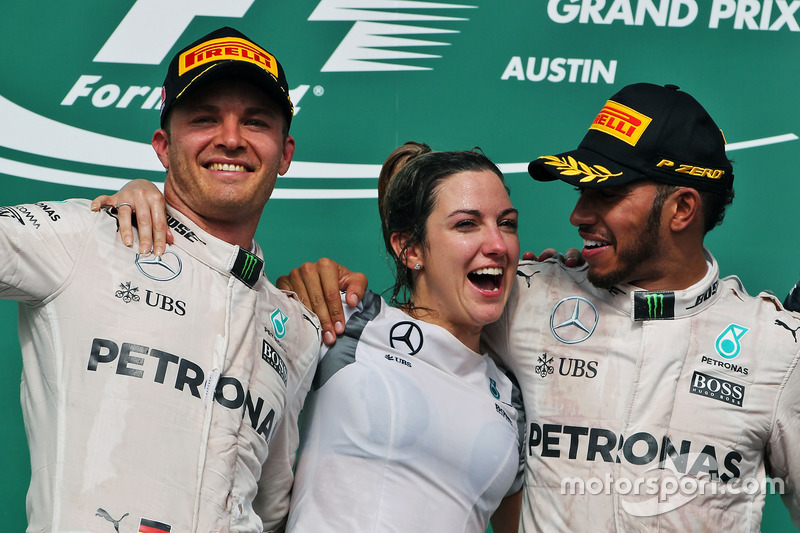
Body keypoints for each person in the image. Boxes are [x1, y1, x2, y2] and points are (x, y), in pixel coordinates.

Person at [280, 83, 800, 531]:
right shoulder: (528, 294)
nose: (577, 213)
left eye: (606, 193)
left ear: (683, 208)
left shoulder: (777, 349)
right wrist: (316, 284)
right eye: (580, 190)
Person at [109, 143, 527, 532]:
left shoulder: (513, 395)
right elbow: (203, 318)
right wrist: (144, 198)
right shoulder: (345, 318)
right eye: (467, 224)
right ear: (409, 249)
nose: (496, 243)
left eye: (506, 224)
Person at [0, 26, 320, 532]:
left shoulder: (298, 329)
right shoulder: (86, 235)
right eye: (204, 119)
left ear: (284, 154)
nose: (231, 139)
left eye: (256, 122)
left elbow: (272, 510)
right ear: (163, 146)